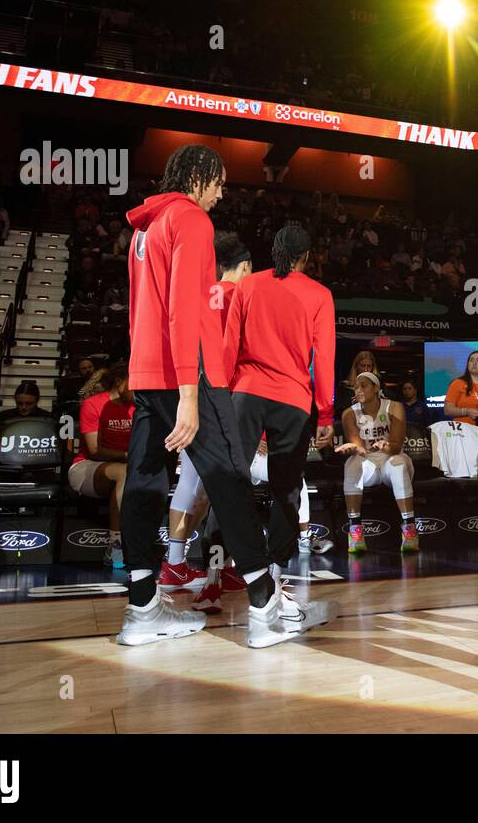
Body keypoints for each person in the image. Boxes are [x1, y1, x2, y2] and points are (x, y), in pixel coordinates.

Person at [116, 144, 323, 649]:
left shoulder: (143, 229)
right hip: (190, 376)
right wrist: (190, 391)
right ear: (199, 177)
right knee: (230, 478)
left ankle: (142, 610)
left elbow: (143, 311)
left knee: (143, 483)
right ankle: (264, 606)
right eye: (220, 181)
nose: (223, 192)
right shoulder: (189, 221)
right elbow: (184, 312)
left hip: (146, 374)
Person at [223, 223, 338, 592]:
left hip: (245, 393)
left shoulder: (248, 284)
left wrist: (221, 394)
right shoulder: (320, 295)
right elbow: (324, 360)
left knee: (230, 481)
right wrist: (325, 413)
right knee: (285, 489)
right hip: (292, 401)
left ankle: (219, 570)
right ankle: (273, 572)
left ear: (275, 250)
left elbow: (229, 344)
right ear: (307, 257)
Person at [161, 231, 255, 604]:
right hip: (224, 397)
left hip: (190, 394)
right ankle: (221, 572)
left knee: (192, 484)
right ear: (245, 266)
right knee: (223, 486)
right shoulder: (242, 296)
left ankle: (174, 563)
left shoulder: (201, 293)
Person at [336, 371, 418, 553]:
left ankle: (409, 529)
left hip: (392, 458)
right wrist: (352, 448)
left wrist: (385, 446)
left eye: (363, 385)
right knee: (352, 463)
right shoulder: (349, 413)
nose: (358, 390)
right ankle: (355, 530)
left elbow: (396, 447)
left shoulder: (394, 407)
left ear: (376, 388)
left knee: (397, 463)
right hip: (370, 463)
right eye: (356, 387)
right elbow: (360, 449)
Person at [67, 362, 133, 569]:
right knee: (125, 472)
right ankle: (116, 545)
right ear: (120, 382)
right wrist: (129, 455)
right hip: (87, 467)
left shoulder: (137, 407)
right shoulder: (94, 404)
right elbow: (95, 451)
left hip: (126, 466)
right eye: (136, 382)